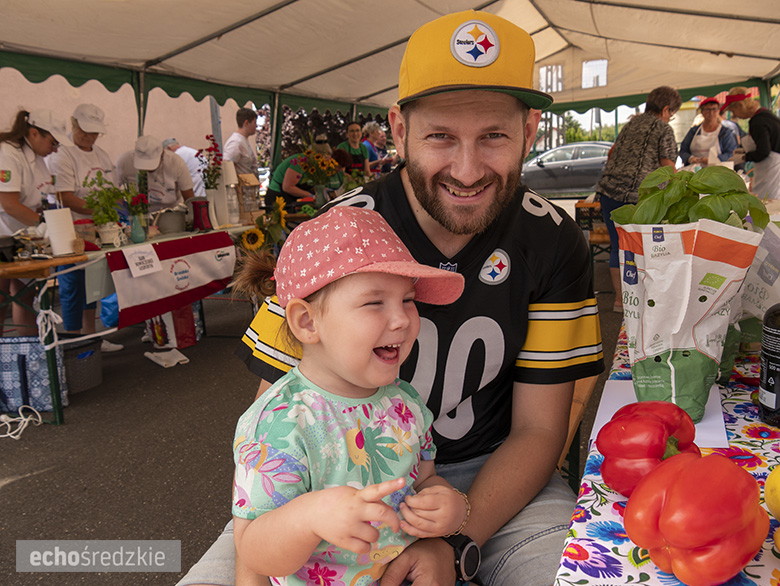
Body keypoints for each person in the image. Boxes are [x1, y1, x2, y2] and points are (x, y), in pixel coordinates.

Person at [178, 10, 604, 586]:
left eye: (495, 136)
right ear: (399, 130)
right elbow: (280, 422)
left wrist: (455, 542)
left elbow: (538, 431)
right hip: (325, 485)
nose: (468, 168)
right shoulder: (333, 233)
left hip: (494, 478)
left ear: (530, 132)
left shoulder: (555, 239)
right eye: (440, 136)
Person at [231, 206, 467, 586]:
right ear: (307, 322)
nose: (403, 319)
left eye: (407, 299)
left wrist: (445, 503)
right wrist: (310, 515)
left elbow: (423, 479)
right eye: (375, 302)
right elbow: (253, 551)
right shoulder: (279, 424)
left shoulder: (405, 404)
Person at [595, 85, 681, 313]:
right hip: (638, 196)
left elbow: (612, 153)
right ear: (665, 109)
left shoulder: (631, 123)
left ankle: (620, 302)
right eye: (671, 113)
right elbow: (668, 168)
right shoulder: (664, 129)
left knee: (617, 246)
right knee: (644, 249)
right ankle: (644, 300)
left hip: (609, 191)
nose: (670, 117)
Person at [47, 103, 123, 351]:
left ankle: (92, 338)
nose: (89, 136)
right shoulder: (62, 154)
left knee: (91, 283)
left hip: (97, 227)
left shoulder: (101, 155)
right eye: (84, 131)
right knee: (72, 285)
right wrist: (101, 210)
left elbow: (112, 191)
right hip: (69, 229)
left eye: (94, 132)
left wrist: (117, 211)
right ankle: (74, 341)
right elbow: (65, 196)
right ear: (74, 125)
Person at [0, 109, 71, 336]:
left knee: (25, 295)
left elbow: (39, 201)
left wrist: (50, 221)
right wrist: (47, 225)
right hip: (3, 231)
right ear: (33, 134)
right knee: (1, 298)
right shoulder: (8, 154)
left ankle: (28, 354)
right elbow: (10, 204)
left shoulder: (40, 160)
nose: (55, 149)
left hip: (21, 233)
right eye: (53, 142)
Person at [722, 86, 780, 200]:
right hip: (771, 167)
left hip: (772, 169)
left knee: (768, 202)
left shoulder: (757, 122)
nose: (734, 115)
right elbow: (766, 142)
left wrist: (744, 157)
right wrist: (744, 151)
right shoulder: (764, 114)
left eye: (733, 111)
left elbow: (763, 152)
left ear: (740, 105)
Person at [115, 135, 195, 213]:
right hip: (138, 214)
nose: (148, 169)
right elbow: (113, 189)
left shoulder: (175, 162)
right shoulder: (124, 161)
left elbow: (188, 196)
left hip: (170, 213)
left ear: (162, 154)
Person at [679, 97, 738, 167]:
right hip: (696, 171)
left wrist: (713, 159)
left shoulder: (725, 132)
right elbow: (683, 150)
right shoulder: (694, 131)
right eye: (707, 110)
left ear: (719, 111)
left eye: (714, 109)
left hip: (718, 171)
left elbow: (731, 153)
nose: (711, 113)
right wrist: (690, 158)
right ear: (702, 112)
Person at [224, 108, 259, 176]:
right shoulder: (236, 142)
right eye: (254, 122)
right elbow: (227, 167)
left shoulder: (243, 140)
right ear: (246, 123)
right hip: (242, 186)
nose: (256, 126)